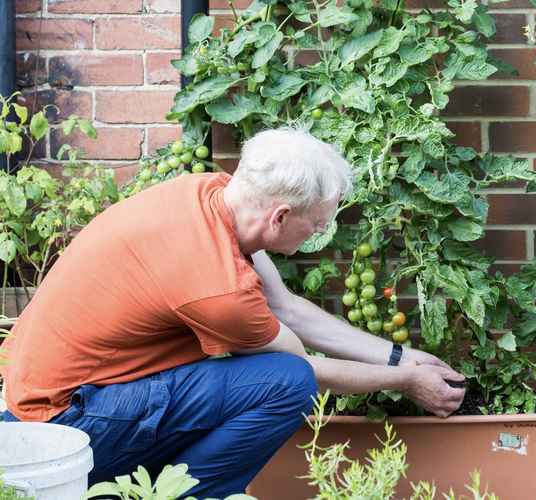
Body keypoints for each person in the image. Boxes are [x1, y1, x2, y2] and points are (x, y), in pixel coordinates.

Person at [0, 127, 466, 497]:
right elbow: (299, 364)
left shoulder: (209, 193)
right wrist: (405, 381)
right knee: (287, 384)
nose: (321, 232)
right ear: (280, 217)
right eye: (319, 223)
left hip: (39, 401)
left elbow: (286, 307)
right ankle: (179, 495)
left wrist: (399, 357)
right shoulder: (220, 288)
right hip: (61, 430)